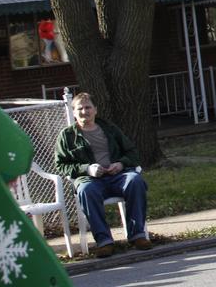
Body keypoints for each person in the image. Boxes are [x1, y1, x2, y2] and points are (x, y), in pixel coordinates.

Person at [54, 93, 150, 258]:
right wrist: (87, 169)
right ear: (74, 113)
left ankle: (137, 236)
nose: (85, 111)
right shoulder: (67, 136)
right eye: (80, 109)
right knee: (86, 190)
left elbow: (132, 152)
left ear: (95, 110)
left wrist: (121, 164)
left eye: (88, 107)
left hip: (118, 176)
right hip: (90, 179)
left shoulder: (110, 129)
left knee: (135, 181)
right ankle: (104, 242)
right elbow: (61, 165)